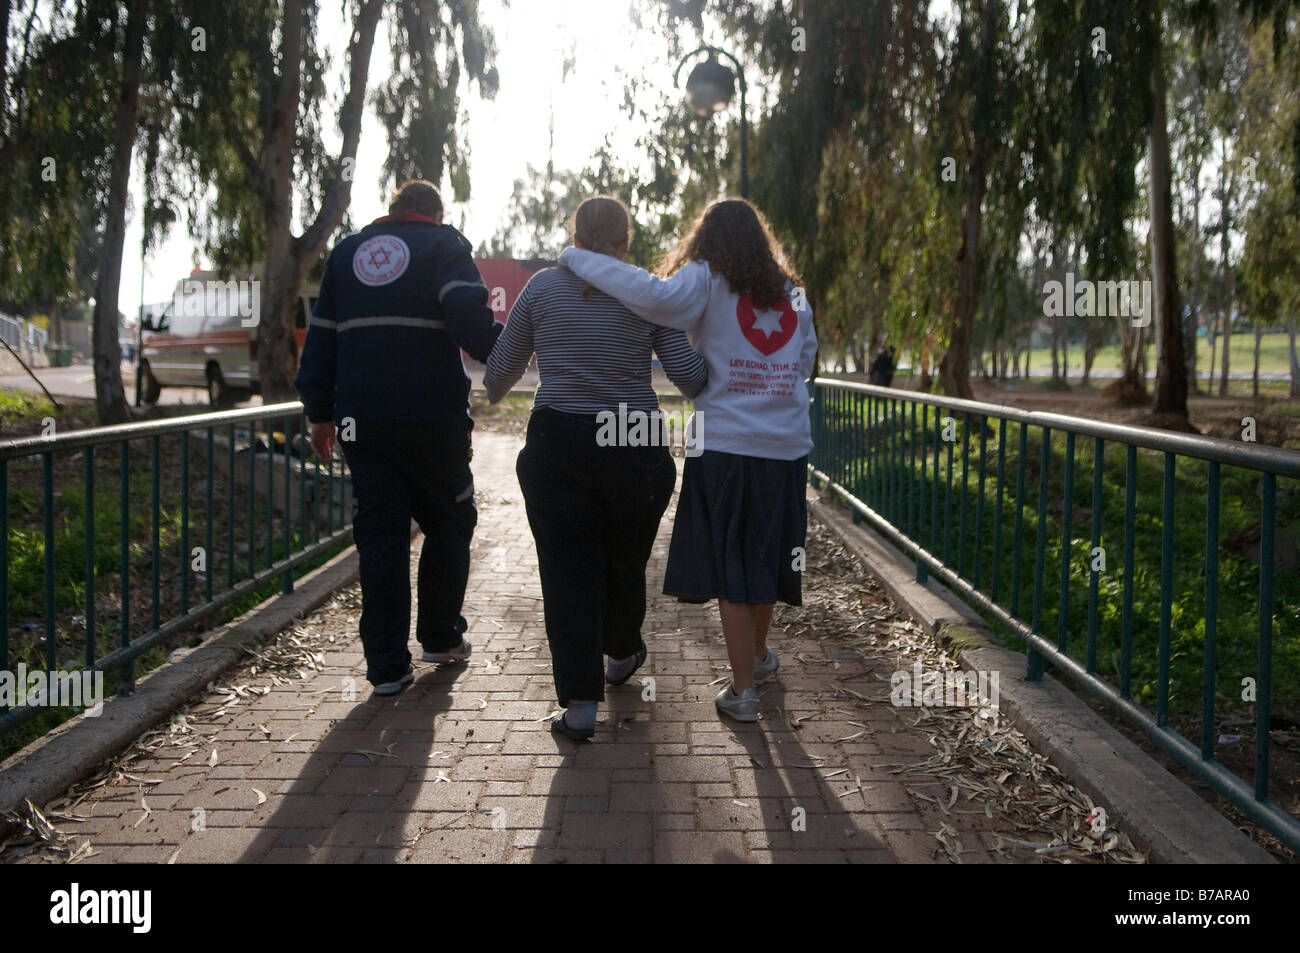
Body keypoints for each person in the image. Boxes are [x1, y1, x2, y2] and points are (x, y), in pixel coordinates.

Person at [559, 198, 817, 723]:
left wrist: (576, 257)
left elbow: (649, 296)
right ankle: (759, 657)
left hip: (725, 443)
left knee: (731, 566)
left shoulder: (704, 277)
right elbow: (806, 363)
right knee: (765, 557)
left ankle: (743, 691)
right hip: (786, 448)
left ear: (708, 239)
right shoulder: (793, 294)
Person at [484, 196, 707, 740]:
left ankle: (580, 705)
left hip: (559, 436)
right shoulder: (647, 293)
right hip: (635, 437)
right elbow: (690, 376)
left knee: (567, 568)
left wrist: (515, 377)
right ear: (625, 241)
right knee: (625, 558)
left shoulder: (540, 287)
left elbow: (497, 374)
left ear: (575, 238)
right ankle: (621, 652)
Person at [296, 180, 502, 696]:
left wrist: (319, 414)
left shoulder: (345, 254)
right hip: (432, 417)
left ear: (394, 212)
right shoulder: (443, 245)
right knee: (450, 521)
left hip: (362, 420)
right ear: (434, 214)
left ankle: (387, 666)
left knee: (381, 535)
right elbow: (469, 321)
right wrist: (511, 351)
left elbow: (321, 338)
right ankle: (439, 635)